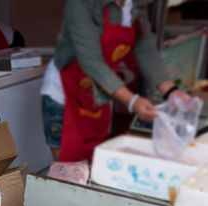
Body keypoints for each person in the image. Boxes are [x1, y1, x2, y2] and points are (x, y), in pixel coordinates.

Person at [40, 0, 192, 162]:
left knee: (94, 165)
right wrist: (132, 101)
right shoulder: (81, 4)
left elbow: (145, 47)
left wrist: (170, 91)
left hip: (100, 95)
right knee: (68, 172)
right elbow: (91, 61)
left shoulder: (135, 5)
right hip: (64, 95)